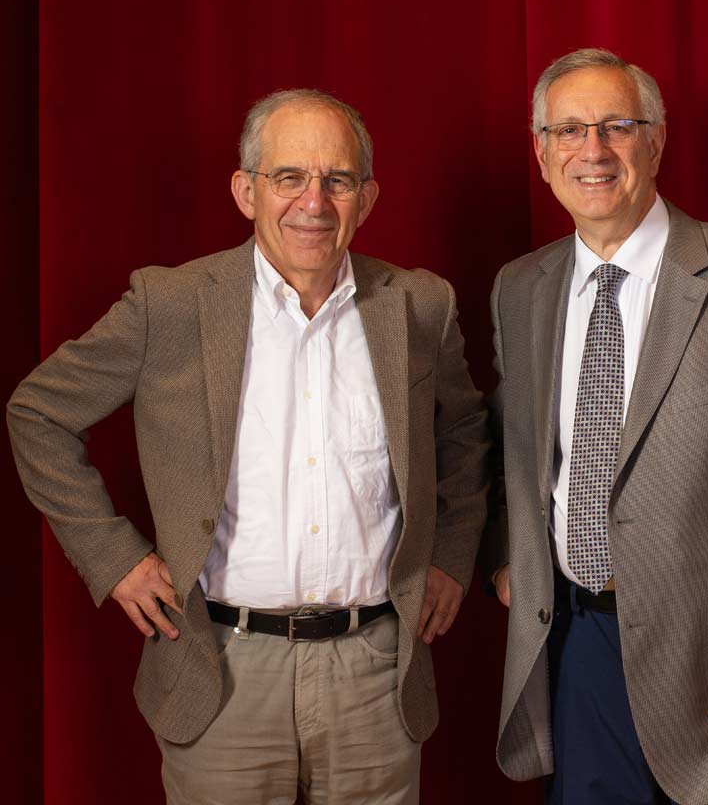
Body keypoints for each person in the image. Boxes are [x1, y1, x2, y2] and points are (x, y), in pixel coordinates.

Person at [7, 88, 489, 803]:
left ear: (369, 197)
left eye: (338, 179)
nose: (314, 201)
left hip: (374, 670)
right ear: (246, 191)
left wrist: (452, 554)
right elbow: (38, 413)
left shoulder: (419, 304)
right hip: (222, 669)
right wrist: (116, 559)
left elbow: (465, 432)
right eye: (288, 177)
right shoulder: (169, 305)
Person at [483, 48, 708, 805]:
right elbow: (508, 450)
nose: (594, 150)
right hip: (579, 646)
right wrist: (505, 558)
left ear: (655, 141)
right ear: (542, 152)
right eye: (570, 130)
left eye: (618, 126)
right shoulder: (520, 290)